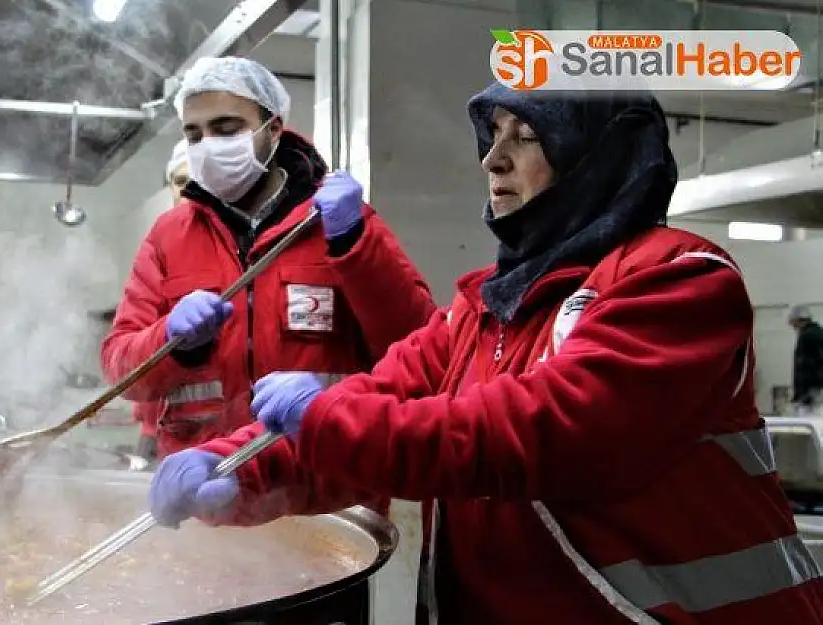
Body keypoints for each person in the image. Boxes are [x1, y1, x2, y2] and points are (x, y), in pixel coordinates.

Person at [147, 83, 823, 624]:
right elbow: (382, 399)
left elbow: (536, 432)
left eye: (526, 136)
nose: (492, 159)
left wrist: (322, 416)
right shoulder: (483, 308)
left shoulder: (679, 279)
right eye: (492, 136)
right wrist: (238, 468)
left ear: (600, 155)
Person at [100, 56, 435, 462]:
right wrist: (170, 341)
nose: (208, 146)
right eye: (194, 134)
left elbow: (419, 346)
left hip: (326, 483)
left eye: (226, 129)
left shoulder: (338, 223)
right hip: (208, 487)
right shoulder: (168, 237)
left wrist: (356, 246)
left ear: (273, 128)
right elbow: (121, 374)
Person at [135, 138, 195, 463]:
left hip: (222, 439)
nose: (188, 192)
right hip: (156, 432)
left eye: (197, 182)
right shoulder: (157, 249)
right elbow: (124, 352)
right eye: (181, 182)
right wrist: (166, 333)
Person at [789, 304, 823, 413]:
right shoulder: (818, 332)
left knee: (806, 418)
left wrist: (800, 394)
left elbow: (803, 368)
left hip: (810, 391)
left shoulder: (807, 336)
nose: (792, 326)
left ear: (799, 320)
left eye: (793, 322)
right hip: (815, 388)